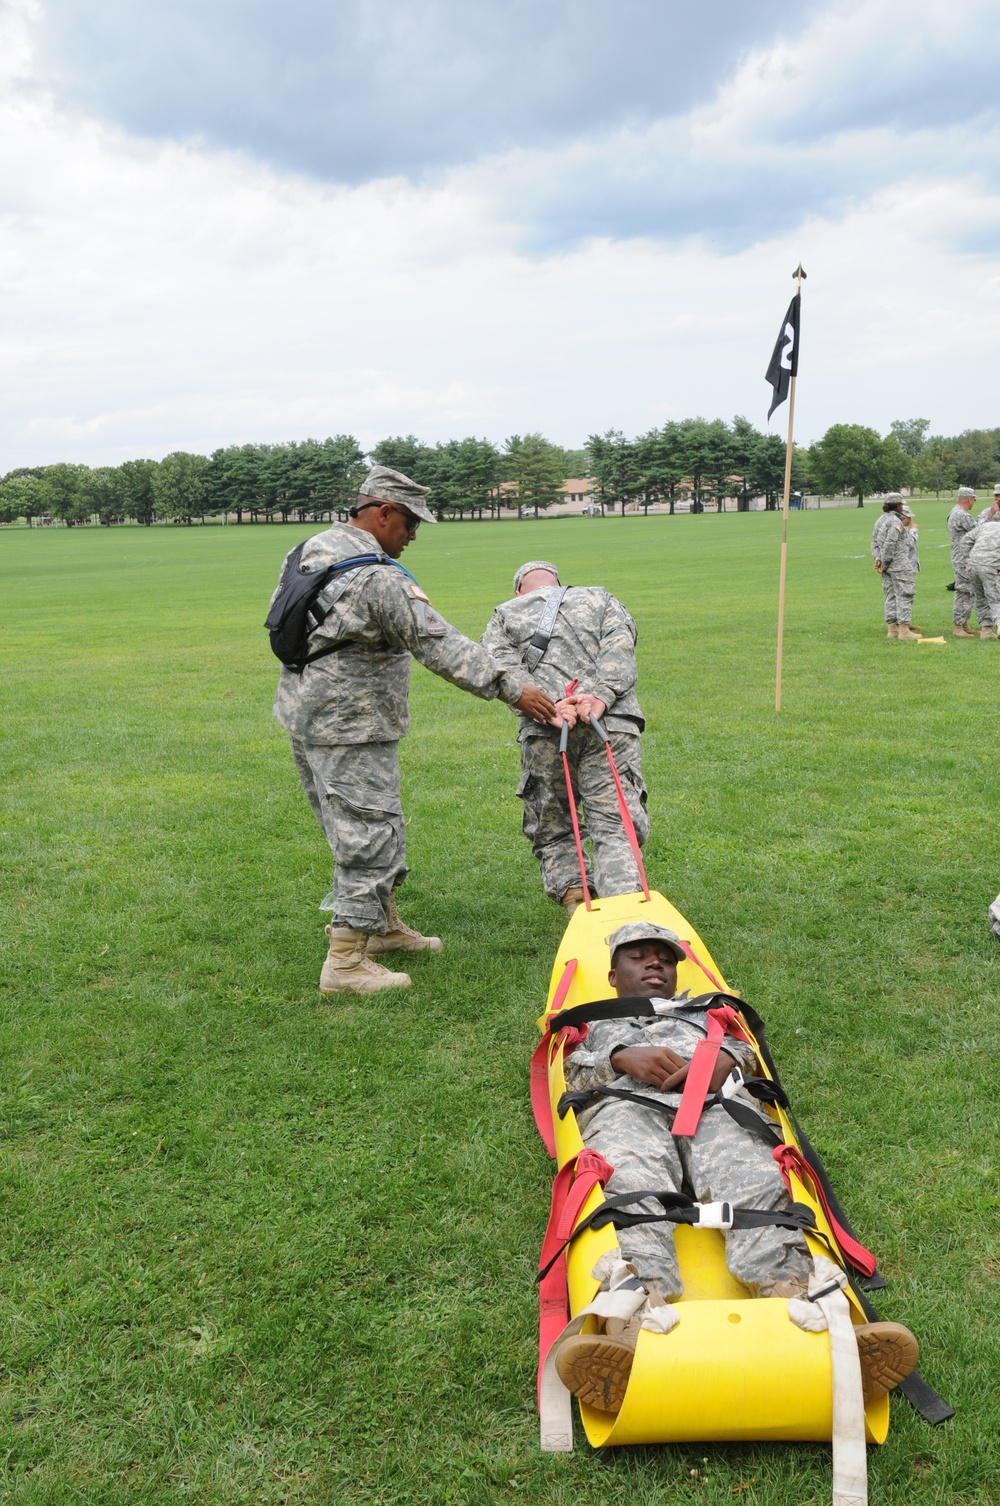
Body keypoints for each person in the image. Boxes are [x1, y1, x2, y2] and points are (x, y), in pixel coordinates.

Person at [553, 922, 920, 1413]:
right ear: (613, 976)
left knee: (753, 1178)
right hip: (625, 1105)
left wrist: (725, 1058)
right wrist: (621, 1057)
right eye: (638, 957)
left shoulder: (706, 1012)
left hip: (712, 1102)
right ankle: (631, 1325)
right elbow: (567, 1066)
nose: (654, 963)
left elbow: (748, 1051)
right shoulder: (592, 1020)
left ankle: (802, 1307)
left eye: (663, 957)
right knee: (629, 1181)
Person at [270, 467, 557, 994]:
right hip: (352, 725)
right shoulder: (379, 578)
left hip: (307, 714)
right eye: (408, 524)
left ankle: (382, 929)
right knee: (369, 833)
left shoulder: (311, 549)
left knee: (363, 826)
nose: (413, 536)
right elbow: (443, 648)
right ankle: (346, 960)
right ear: (382, 513)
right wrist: (517, 689)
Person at [480, 561, 647, 912]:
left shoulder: (504, 614)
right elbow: (620, 651)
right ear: (558, 583)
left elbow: (501, 670)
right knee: (615, 824)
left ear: (518, 590)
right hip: (610, 725)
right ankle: (625, 915)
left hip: (545, 731)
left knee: (555, 823)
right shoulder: (600, 599)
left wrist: (552, 705)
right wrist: (598, 697)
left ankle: (577, 905)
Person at [872, 494, 919, 640]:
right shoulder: (895, 521)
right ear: (898, 505)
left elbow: (874, 541)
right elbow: (890, 544)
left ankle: (892, 630)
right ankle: (904, 631)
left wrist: (878, 560)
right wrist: (884, 563)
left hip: (887, 564)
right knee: (905, 594)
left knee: (891, 595)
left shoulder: (881, 520)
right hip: (898, 564)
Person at [947, 487, 980, 637]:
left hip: (961, 556)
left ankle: (964, 624)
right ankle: (958, 626)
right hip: (963, 558)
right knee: (963, 591)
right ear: (969, 499)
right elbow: (977, 532)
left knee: (967, 591)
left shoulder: (954, 512)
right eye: (973, 499)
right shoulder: (962, 514)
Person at [967, 506, 1000, 640]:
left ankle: (986, 630)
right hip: (989, 566)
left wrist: (966, 560)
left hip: (973, 565)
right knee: (996, 598)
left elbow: (965, 540)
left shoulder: (983, 527)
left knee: (980, 597)